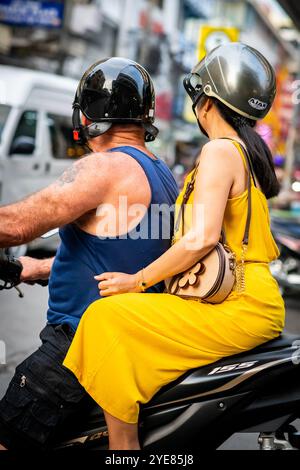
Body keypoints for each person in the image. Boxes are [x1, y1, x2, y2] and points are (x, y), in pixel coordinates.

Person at [63, 43, 285, 450]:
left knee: (105, 318)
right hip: (247, 297)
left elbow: (201, 238)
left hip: (237, 302)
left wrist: (137, 281)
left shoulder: (219, 150)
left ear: (207, 104)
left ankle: (123, 450)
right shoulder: (244, 153)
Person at [0, 58, 178, 450]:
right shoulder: (160, 172)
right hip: (125, 347)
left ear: (90, 112)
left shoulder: (106, 168)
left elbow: (16, 225)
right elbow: (124, 251)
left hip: (77, 345)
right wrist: (38, 268)